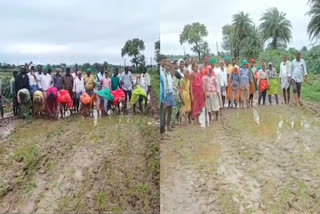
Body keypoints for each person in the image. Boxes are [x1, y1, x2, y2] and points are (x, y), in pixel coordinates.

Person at [164, 62, 174, 130]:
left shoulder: (169, 74)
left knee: (170, 110)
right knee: (165, 110)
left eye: (169, 66)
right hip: (166, 94)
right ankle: (165, 126)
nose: (168, 67)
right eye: (167, 66)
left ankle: (168, 125)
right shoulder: (164, 74)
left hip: (170, 93)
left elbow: (171, 84)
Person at [160, 56, 167, 140]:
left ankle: (163, 133)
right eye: (163, 61)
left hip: (164, 97)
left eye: (165, 61)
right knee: (161, 116)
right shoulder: (160, 71)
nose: (164, 63)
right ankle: (161, 135)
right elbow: (161, 87)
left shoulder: (163, 71)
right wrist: (162, 98)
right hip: (162, 97)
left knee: (163, 115)